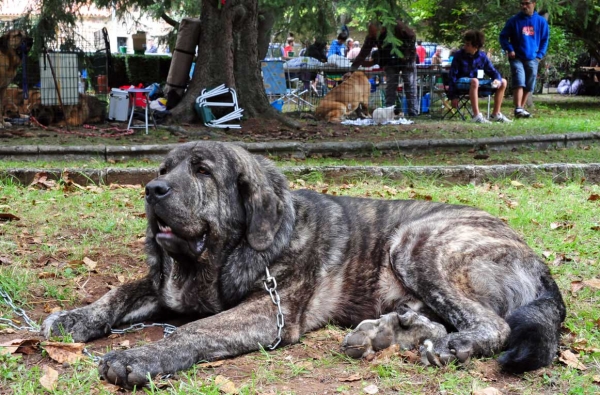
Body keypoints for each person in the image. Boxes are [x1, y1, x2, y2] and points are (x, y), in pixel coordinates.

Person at [350, 20, 419, 116]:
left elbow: (412, 36)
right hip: (389, 61)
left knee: (409, 85)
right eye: (372, 33)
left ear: (381, 28)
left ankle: (413, 112)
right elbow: (363, 53)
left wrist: (406, 54)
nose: (374, 36)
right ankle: (388, 112)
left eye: (375, 33)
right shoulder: (371, 36)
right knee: (390, 86)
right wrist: (352, 69)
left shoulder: (397, 27)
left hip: (407, 60)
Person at [448, 30, 512, 123]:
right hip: (461, 82)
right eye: (465, 44)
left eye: (468, 44)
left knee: (503, 82)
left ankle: (496, 114)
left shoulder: (482, 56)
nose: (465, 46)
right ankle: (476, 116)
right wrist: (453, 96)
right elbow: (452, 76)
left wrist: (497, 80)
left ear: (476, 46)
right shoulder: (459, 55)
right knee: (475, 81)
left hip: (476, 84)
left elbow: (493, 71)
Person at [499, 0, 549, 118]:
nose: (524, 6)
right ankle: (518, 108)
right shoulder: (513, 20)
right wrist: (509, 49)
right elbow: (503, 37)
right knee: (519, 81)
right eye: (522, 4)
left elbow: (545, 40)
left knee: (529, 84)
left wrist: (539, 56)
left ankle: (520, 109)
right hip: (516, 57)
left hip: (533, 58)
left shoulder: (541, 22)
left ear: (534, 4)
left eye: (527, 3)